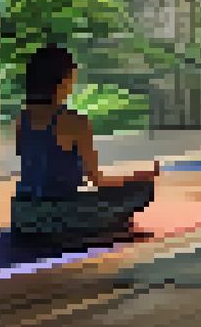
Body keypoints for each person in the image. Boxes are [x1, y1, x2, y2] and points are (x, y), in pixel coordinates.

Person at [11, 45, 160, 247]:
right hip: (57, 217)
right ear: (61, 80)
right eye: (72, 78)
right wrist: (139, 175)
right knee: (142, 189)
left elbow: (29, 163)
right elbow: (97, 180)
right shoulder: (75, 121)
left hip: (23, 216)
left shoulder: (22, 118)